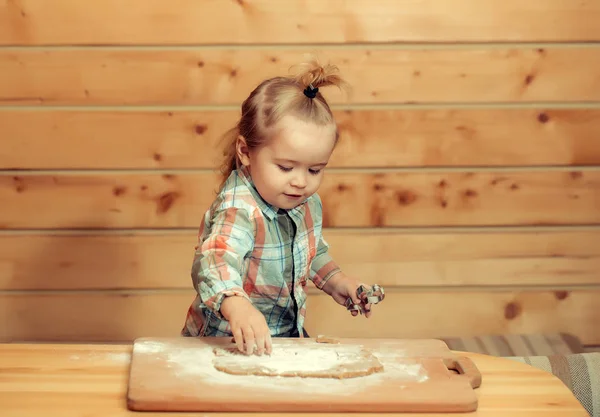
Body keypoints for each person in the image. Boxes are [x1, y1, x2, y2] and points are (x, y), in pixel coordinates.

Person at [181, 58, 378, 356]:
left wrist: (337, 281)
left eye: (315, 170)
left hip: (282, 339)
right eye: (286, 167)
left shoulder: (305, 203)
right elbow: (215, 260)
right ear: (246, 152)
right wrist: (237, 306)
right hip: (224, 342)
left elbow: (309, 252)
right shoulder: (239, 208)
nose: (301, 182)